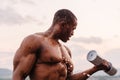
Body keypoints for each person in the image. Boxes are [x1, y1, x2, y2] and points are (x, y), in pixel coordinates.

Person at [13, 9, 110, 80]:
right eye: (73, 29)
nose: (73, 33)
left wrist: (95, 69)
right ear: (63, 25)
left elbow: (69, 79)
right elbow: (18, 76)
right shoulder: (34, 41)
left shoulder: (66, 50)